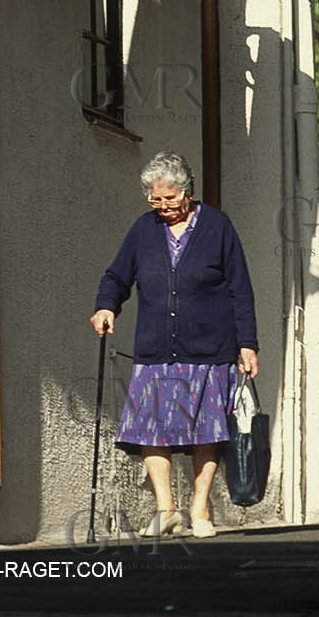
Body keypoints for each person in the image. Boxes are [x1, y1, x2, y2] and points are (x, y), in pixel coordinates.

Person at [90, 150, 259, 538]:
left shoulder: (217, 226)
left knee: (207, 431)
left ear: (187, 192)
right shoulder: (143, 230)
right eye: (155, 199)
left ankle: (200, 509)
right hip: (155, 348)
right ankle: (166, 509)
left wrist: (247, 344)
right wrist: (105, 306)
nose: (162, 206)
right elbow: (117, 276)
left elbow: (240, 289)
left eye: (169, 198)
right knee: (151, 429)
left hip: (210, 346)